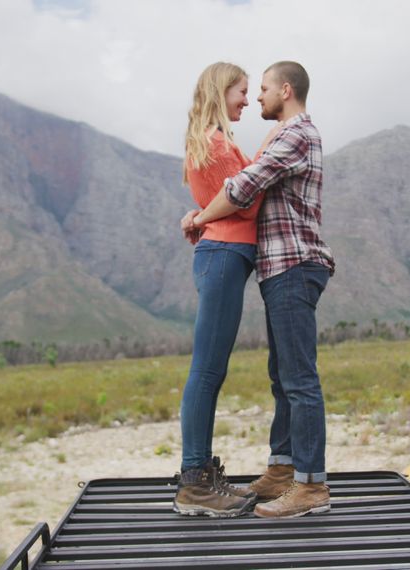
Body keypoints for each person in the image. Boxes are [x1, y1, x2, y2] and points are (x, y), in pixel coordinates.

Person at [188, 61, 335, 518]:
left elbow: (244, 186)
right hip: (279, 268)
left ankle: (310, 486)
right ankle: (283, 467)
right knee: (282, 376)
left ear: (285, 90)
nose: (256, 99)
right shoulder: (285, 137)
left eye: (264, 89)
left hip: (293, 264)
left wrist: (199, 218)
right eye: (249, 91)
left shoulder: (296, 134)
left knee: (298, 379)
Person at [172, 62, 281, 518]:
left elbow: (226, 197)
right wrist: (271, 149)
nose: (246, 100)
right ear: (222, 92)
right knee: (207, 371)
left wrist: (199, 216)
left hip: (224, 257)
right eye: (241, 91)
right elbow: (247, 197)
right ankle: (194, 481)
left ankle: (201, 475)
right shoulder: (216, 144)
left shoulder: (215, 141)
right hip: (222, 257)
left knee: (211, 370)